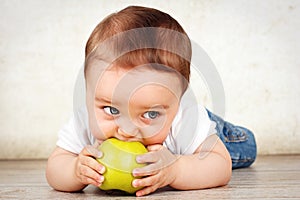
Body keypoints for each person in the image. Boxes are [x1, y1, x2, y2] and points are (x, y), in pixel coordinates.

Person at [46, 6, 256, 197]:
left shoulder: (187, 121)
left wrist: (176, 169)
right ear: (88, 91)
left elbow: (220, 165)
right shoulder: (84, 120)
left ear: (178, 100)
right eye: (111, 110)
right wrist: (74, 170)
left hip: (213, 135)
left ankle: (232, 133)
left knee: (245, 146)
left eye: (150, 114)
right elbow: (55, 167)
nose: (127, 131)